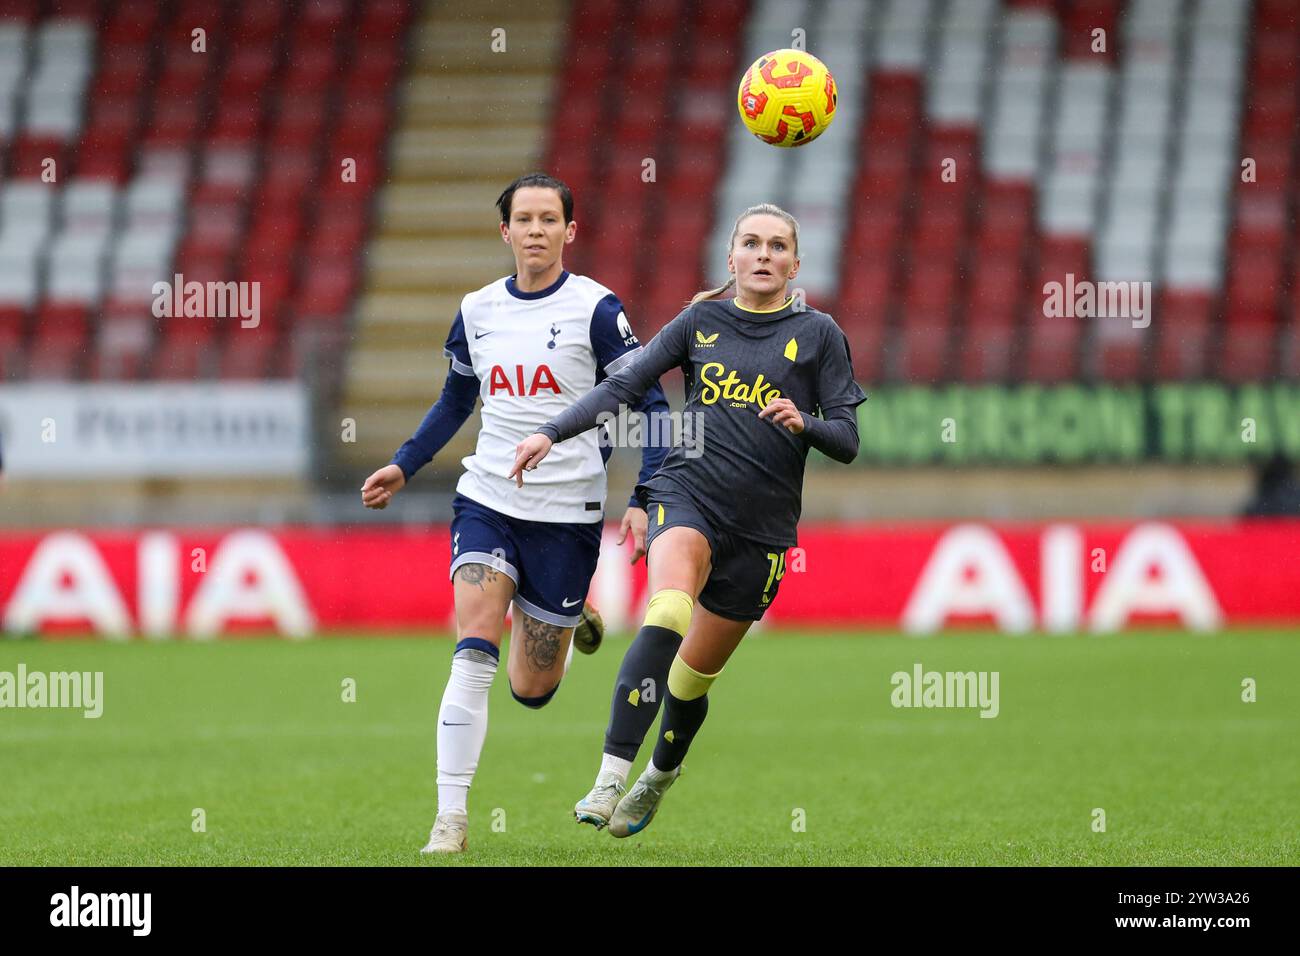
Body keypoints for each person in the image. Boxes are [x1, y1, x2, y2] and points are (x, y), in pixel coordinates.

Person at [510, 202, 866, 837]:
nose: (764, 255)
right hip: (688, 492)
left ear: (795, 264)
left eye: (777, 247)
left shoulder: (819, 335)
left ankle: (660, 775)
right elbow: (622, 386)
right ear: (730, 259)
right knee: (668, 610)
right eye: (751, 244)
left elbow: (847, 437)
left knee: (692, 680)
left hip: (762, 530)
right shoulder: (699, 320)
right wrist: (552, 430)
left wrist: (803, 421)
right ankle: (610, 777)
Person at [361, 173, 670, 853]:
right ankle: (450, 819)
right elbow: (455, 400)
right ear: (504, 232)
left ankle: (568, 616)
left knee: (531, 689)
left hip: (568, 514)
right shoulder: (477, 310)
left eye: (547, 219)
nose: (534, 231)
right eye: (522, 220)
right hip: (488, 499)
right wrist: (404, 463)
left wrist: (647, 498)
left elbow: (651, 405)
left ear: (570, 231)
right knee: (473, 653)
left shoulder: (597, 310)